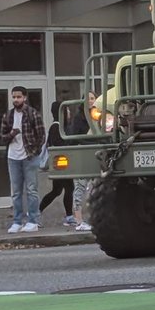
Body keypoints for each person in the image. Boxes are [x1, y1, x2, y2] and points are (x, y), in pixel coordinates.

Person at [0, 85, 44, 233]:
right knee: (16, 191)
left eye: (18, 97)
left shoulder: (33, 114)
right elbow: (2, 137)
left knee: (31, 190)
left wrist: (34, 151)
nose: (16, 99)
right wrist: (12, 133)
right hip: (13, 157)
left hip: (29, 156)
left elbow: (41, 136)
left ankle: (33, 221)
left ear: (24, 98)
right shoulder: (8, 115)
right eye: (14, 97)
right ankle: (17, 221)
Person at [38, 101, 75, 227]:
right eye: (67, 110)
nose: (69, 113)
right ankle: (69, 216)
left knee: (57, 191)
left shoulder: (60, 127)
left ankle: (37, 212)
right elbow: (58, 145)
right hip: (61, 164)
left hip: (61, 164)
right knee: (68, 189)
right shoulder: (56, 127)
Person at [68, 92, 95, 232]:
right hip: (82, 154)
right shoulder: (78, 117)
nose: (90, 101)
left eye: (92, 98)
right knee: (79, 186)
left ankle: (94, 218)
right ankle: (79, 220)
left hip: (95, 154)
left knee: (93, 187)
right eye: (87, 99)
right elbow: (74, 136)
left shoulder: (98, 115)